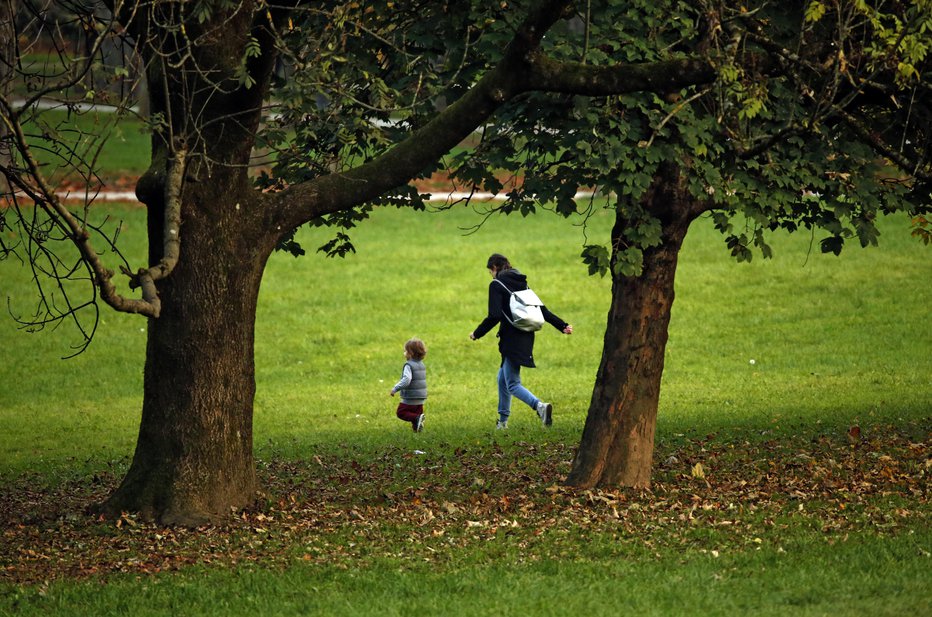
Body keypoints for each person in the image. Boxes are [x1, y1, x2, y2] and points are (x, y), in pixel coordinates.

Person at [469, 253, 573, 429]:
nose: (491, 275)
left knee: (513, 383)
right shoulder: (521, 282)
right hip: (526, 335)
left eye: (490, 271)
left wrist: (477, 333)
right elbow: (541, 309)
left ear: (494, 268)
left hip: (511, 338)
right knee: (502, 378)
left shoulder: (496, 285)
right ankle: (502, 422)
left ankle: (540, 406)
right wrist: (562, 325)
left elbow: (494, 315)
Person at [389, 337, 428, 432]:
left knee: (401, 412)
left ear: (410, 353)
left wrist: (395, 388)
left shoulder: (409, 365)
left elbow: (407, 379)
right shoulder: (421, 364)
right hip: (421, 396)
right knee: (417, 417)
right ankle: (418, 431)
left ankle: (417, 418)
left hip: (411, 396)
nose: (404, 353)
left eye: (405, 351)